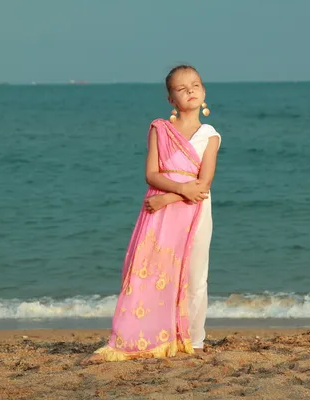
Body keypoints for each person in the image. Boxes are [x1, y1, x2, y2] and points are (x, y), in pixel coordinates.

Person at [81, 65, 221, 364]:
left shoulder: (210, 135)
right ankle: (144, 336)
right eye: (182, 88)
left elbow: (204, 183)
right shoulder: (160, 128)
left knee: (195, 274)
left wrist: (170, 197)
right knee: (149, 271)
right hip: (159, 207)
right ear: (171, 99)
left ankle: (194, 341)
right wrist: (168, 196)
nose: (191, 91)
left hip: (192, 207)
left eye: (196, 85)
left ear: (204, 91)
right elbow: (151, 174)